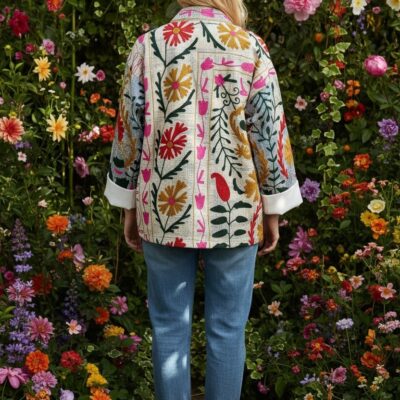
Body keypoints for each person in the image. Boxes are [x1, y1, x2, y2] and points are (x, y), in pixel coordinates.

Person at [104, 0, 303, 398]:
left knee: (168, 326)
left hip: (164, 204)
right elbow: (269, 131)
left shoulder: (149, 46)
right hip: (235, 210)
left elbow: (129, 128)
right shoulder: (249, 46)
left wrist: (129, 202)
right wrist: (273, 209)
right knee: (228, 329)